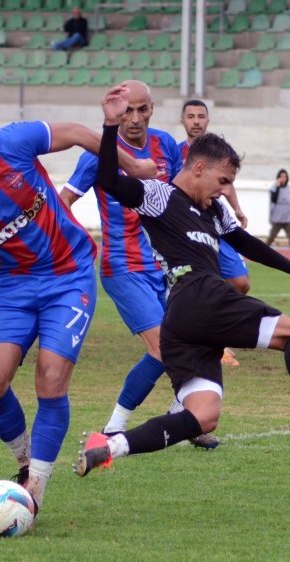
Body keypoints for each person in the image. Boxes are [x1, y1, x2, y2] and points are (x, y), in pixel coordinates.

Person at [75, 84, 290, 477]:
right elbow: (111, 183)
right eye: (222, 180)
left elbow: (245, 242)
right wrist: (110, 125)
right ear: (198, 168)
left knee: (203, 416)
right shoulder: (159, 196)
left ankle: (110, 445)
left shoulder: (214, 211)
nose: (224, 190)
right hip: (198, 293)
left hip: (182, 319)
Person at [0, 117, 154, 512]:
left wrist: (132, 164)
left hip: (70, 275)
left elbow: (79, 134)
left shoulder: (11, 143)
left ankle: (37, 485)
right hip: (13, 284)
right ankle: (26, 459)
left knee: (51, 378)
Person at [60, 81, 219, 450]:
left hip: (168, 266)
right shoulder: (99, 153)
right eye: (127, 110)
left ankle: (186, 417)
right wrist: (75, 241)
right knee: (164, 348)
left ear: (152, 109)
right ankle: (115, 427)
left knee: (189, 340)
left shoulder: (165, 145)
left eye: (141, 109)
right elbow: (63, 201)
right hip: (124, 267)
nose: (134, 119)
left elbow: (184, 193)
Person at [179, 98, 250, 367]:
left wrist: (237, 209)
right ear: (183, 121)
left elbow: (226, 186)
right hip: (188, 229)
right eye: (191, 116)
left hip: (216, 224)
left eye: (201, 116)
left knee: (241, 283)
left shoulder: (217, 153)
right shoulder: (176, 152)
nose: (196, 121)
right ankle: (214, 342)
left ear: (207, 120)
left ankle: (212, 326)